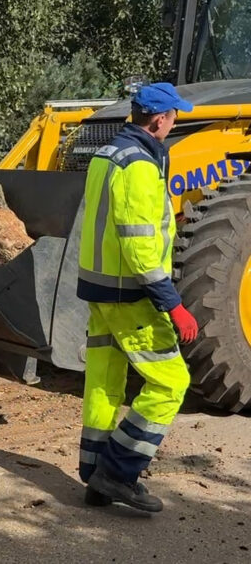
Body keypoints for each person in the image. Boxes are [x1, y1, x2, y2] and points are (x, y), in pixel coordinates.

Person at [76, 81, 199, 513]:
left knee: (105, 384)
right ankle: (120, 472)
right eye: (174, 116)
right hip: (131, 297)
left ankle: (95, 478)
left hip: (100, 292)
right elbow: (140, 247)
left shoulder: (104, 156)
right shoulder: (140, 167)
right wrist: (173, 303)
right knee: (171, 383)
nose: (175, 122)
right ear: (161, 120)